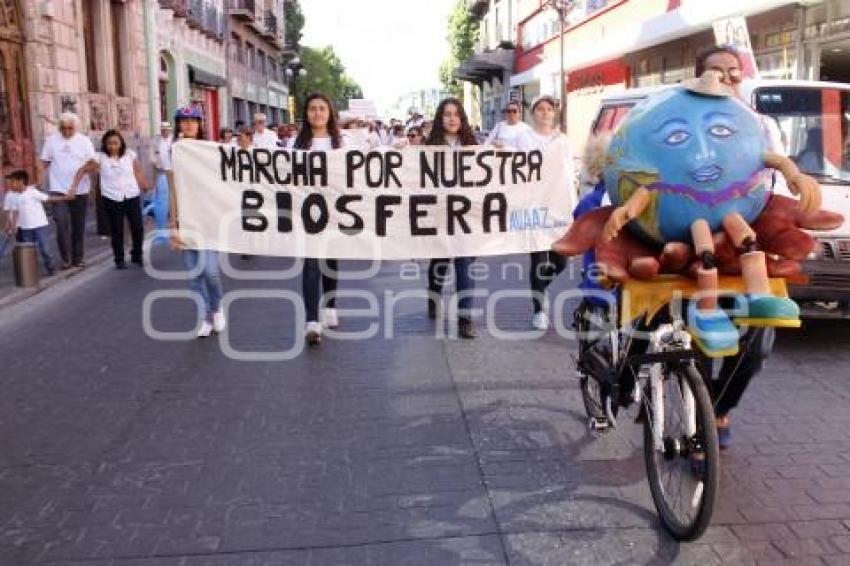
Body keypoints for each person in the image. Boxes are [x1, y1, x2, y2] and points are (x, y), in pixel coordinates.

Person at [289, 93, 345, 346]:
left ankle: (330, 305)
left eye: (322, 108)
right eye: (312, 109)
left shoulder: (343, 142)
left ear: (330, 112)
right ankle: (312, 320)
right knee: (311, 263)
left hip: (335, 210)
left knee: (330, 261)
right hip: (307, 212)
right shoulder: (295, 144)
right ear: (306, 113)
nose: (317, 113)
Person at [516, 95, 576, 329]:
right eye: (539, 109)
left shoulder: (563, 141)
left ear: (554, 113)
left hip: (559, 209)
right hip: (534, 208)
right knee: (539, 260)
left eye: (548, 109)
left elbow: (568, 175)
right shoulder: (524, 138)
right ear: (533, 114)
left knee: (561, 262)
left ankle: (541, 287)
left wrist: (574, 205)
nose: (544, 112)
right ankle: (539, 309)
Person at [167, 105, 226, 338]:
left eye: (193, 121)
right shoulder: (174, 151)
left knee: (210, 271)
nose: (188, 124)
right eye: (183, 120)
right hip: (186, 220)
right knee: (194, 275)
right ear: (178, 124)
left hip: (209, 220)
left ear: (201, 124)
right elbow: (172, 189)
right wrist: (173, 223)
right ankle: (205, 318)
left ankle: (217, 307)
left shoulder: (210, 150)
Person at [425, 97, 478, 339]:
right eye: (447, 114)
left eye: (456, 113)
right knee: (440, 263)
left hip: (465, 215)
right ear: (440, 118)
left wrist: (499, 152)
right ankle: (434, 293)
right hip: (438, 214)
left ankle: (465, 317)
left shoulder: (472, 144)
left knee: (464, 263)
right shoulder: (429, 146)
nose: (452, 118)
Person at [70, 130, 148, 269]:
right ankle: (119, 259)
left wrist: (143, 184)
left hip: (131, 195)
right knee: (116, 230)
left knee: (137, 227)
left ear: (121, 143)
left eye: (116, 143)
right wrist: (74, 187)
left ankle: (137, 254)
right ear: (105, 144)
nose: (113, 146)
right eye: (109, 143)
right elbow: (83, 170)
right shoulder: (99, 157)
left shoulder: (129, 154)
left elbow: (138, 170)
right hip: (111, 198)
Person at [38, 112, 96, 269]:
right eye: (64, 128)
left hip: (80, 190)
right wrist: (38, 180)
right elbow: (44, 162)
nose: (67, 131)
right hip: (58, 189)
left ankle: (78, 257)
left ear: (75, 128)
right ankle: (66, 258)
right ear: (60, 128)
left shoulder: (83, 141)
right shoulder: (52, 140)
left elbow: (92, 163)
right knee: (61, 223)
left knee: (78, 225)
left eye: (70, 128)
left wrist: (81, 178)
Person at [4, 170, 70, 275]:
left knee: (45, 249)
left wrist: (65, 198)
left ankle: (50, 267)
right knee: (29, 251)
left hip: (40, 226)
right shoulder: (15, 196)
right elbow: (15, 212)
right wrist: (13, 226)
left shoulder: (32, 192)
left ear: (21, 182)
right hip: (26, 228)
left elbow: (48, 199)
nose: (11, 184)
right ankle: (31, 272)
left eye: (13, 182)